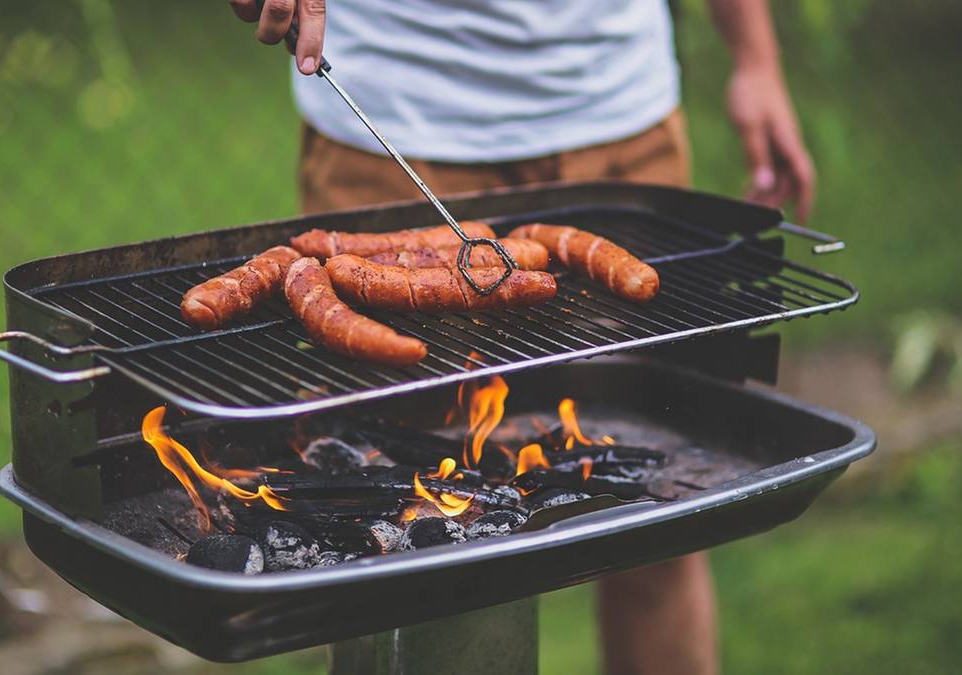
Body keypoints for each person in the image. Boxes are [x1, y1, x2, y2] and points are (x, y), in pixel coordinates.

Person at [231, 1, 814, 672]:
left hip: (621, 118)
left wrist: (756, 60)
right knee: (407, 541)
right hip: (393, 118)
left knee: (660, 519)